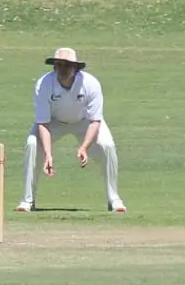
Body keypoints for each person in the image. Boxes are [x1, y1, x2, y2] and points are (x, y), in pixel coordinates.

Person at [16, 47, 125, 213]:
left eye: (67, 65)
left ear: (75, 67)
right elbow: (43, 123)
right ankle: (27, 201)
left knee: (107, 146)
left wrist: (84, 147)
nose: (62, 69)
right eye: (58, 65)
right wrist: (48, 155)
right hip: (54, 122)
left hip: (84, 122)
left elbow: (95, 121)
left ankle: (114, 199)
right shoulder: (44, 84)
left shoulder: (90, 83)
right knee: (32, 144)